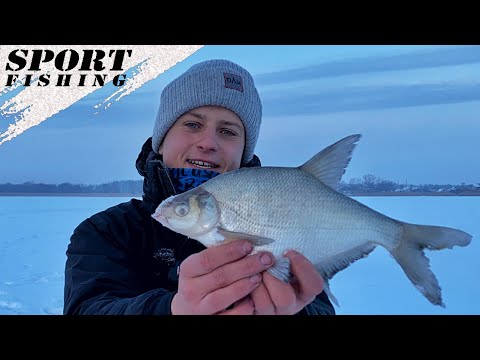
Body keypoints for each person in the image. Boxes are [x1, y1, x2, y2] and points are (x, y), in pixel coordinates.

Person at [63, 59, 335, 315]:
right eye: (192, 124)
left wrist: (296, 309)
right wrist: (171, 309)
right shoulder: (107, 231)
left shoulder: (283, 226)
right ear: (161, 140)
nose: (208, 143)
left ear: (244, 153)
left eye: (228, 131)